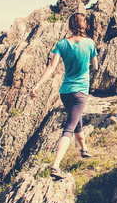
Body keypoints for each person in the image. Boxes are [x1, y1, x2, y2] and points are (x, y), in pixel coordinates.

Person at [30, 12, 98, 179]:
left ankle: (84, 149)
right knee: (69, 127)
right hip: (80, 92)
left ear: (70, 26)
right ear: (84, 25)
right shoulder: (90, 43)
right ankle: (55, 166)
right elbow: (95, 67)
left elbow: (52, 66)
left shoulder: (61, 44)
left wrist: (37, 85)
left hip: (65, 92)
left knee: (76, 121)